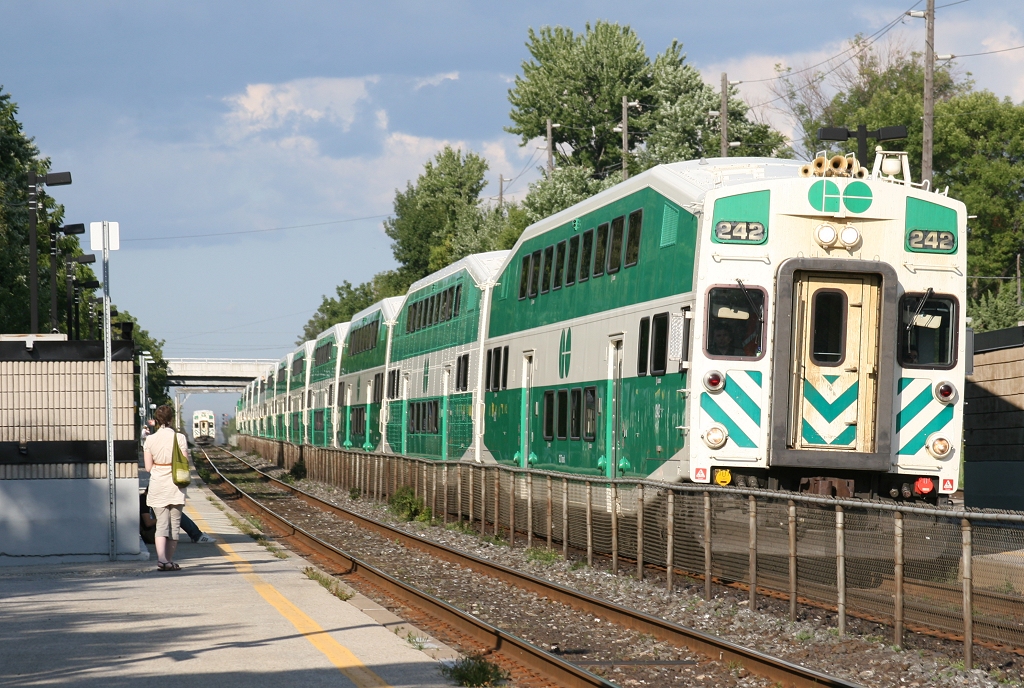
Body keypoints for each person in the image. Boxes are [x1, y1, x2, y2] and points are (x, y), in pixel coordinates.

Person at [143, 405, 189, 571]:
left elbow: (148, 467)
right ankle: (168, 560)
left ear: (156, 420)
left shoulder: (150, 439)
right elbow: (185, 462)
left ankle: (162, 559)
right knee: (174, 524)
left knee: (161, 524)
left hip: (157, 485)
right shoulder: (180, 438)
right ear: (171, 420)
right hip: (176, 485)